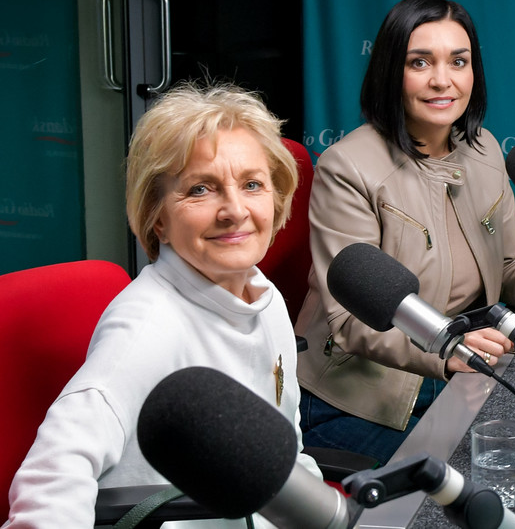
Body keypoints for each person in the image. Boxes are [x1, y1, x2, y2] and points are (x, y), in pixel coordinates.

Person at [294, 0, 515, 464]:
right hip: (359, 399)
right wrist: (447, 352)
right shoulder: (347, 167)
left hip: (461, 371)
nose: (443, 80)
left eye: (458, 61)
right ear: (390, 71)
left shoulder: (484, 149)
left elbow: (512, 259)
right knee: (470, 480)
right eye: (420, 62)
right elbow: (349, 322)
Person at [5, 83, 318, 527]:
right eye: (200, 190)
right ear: (158, 218)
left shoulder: (264, 300)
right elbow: (50, 481)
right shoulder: (145, 328)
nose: (234, 209)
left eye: (252, 184)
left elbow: (288, 451)